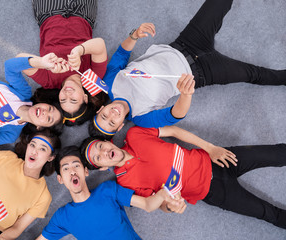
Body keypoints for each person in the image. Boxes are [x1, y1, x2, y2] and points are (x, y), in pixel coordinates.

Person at [90, 0, 286, 139]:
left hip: (185, 43)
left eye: (104, 115)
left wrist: (135, 35)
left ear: (101, 108)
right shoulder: (141, 118)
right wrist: (186, 94)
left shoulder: (110, 81)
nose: (112, 114)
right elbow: (175, 115)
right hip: (203, 72)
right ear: (120, 127)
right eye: (112, 122)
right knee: (254, 74)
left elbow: (122, 54)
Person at [80, 126, 286, 229]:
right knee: (268, 213)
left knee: (277, 153)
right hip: (212, 191)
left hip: (215, 158)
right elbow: (155, 204)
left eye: (100, 146)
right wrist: (170, 205)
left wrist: (211, 147)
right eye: (98, 158)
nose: (104, 152)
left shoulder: (134, 134)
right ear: (101, 168)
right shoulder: (125, 182)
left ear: (106, 141)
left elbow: (174, 131)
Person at [36, 146, 176, 240]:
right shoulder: (62, 217)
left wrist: (164, 194)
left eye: (76, 165)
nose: (72, 171)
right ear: (60, 179)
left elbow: (147, 204)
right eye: (66, 169)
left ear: (85, 171)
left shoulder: (107, 190)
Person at [17, 0, 108, 126]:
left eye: (63, 100)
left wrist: (43, 63)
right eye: (74, 99)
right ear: (85, 97)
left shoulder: (49, 81)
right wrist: (79, 50)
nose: (67, 93)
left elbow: (19, 60)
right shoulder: (93, 78)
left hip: (49, 13)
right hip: (83, 13)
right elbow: (100, 45)